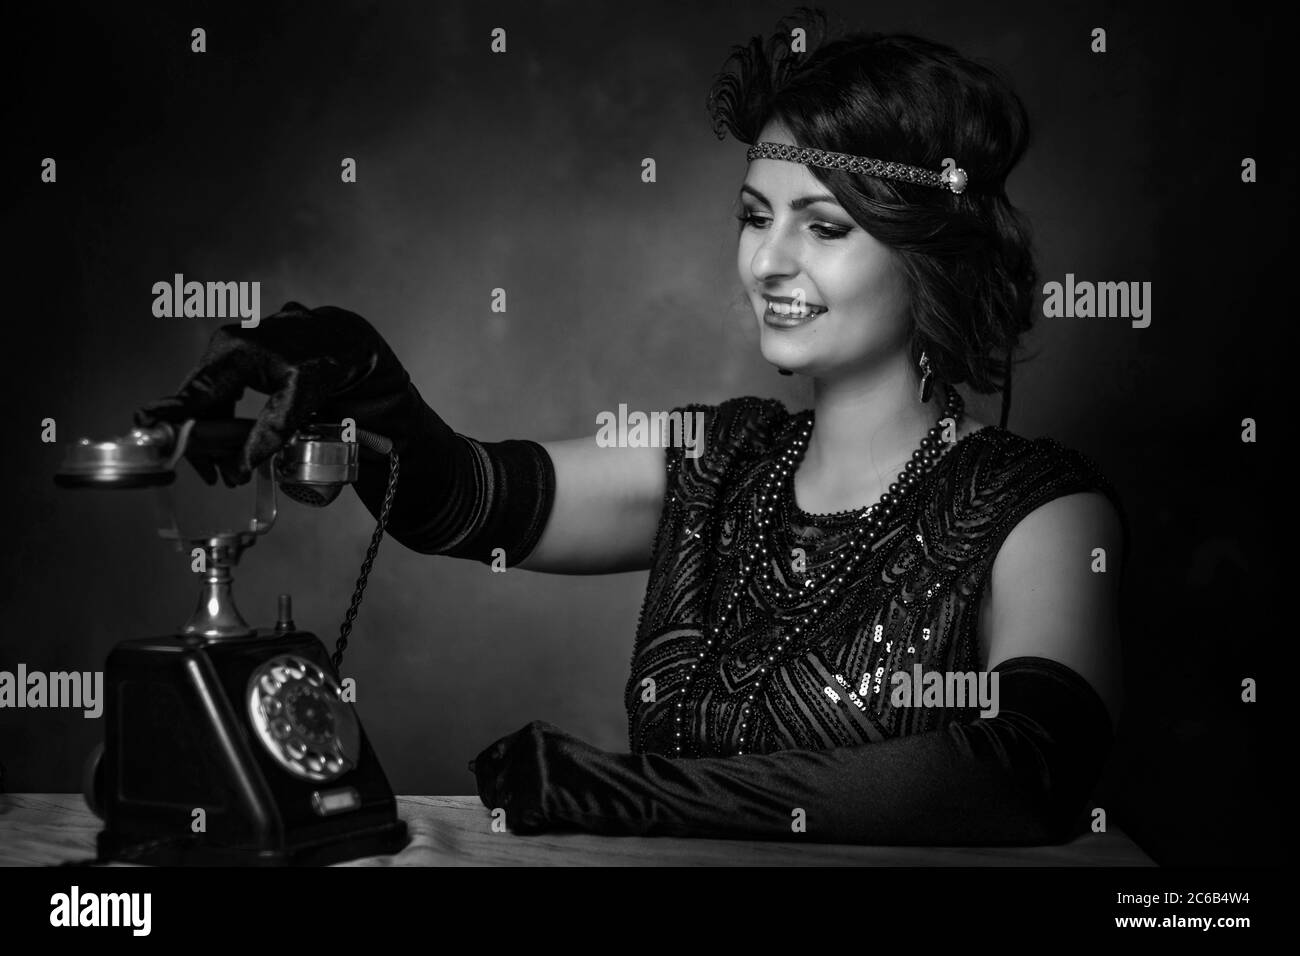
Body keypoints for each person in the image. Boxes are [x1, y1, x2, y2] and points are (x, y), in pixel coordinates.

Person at [135, 13, 1128, 846]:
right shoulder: (711, 461)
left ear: (933, 257)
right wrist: (354, 364)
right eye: (753, 214)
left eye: (823, 226)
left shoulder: (1036, 508)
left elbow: (1027, 767)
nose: (768, 262)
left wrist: (619, 792)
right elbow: (460, 500)